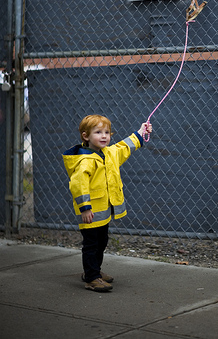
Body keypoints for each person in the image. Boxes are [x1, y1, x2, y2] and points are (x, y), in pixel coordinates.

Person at [62, 114, 152, 292]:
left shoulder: (109, 153)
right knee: (91, 244)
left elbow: (124, 147)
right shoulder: (84, 161)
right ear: (85, 136)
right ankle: (91, 277)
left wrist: (141, 132)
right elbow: (78, 186)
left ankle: (94, 271)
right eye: (98, 132)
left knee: (102, 241)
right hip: (90, 212)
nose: (104, 136)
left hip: (103, 212)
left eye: (107, 132)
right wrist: (85, 209)